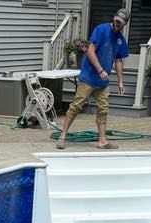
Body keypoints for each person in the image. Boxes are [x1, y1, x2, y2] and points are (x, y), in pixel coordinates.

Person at [55, 8, 130, 150]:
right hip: (89, 77)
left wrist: (120, 81)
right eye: (116, 20)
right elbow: (90, 50)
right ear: (114, 17)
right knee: (76, 106)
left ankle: (102, 141)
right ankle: (63, 136)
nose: (117, 23)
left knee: (103, 109)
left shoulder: (121, 40)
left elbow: (119, 60)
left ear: (125, 24)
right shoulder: (101, 29)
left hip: (103, 82)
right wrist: (100, 70)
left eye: (121, 22)